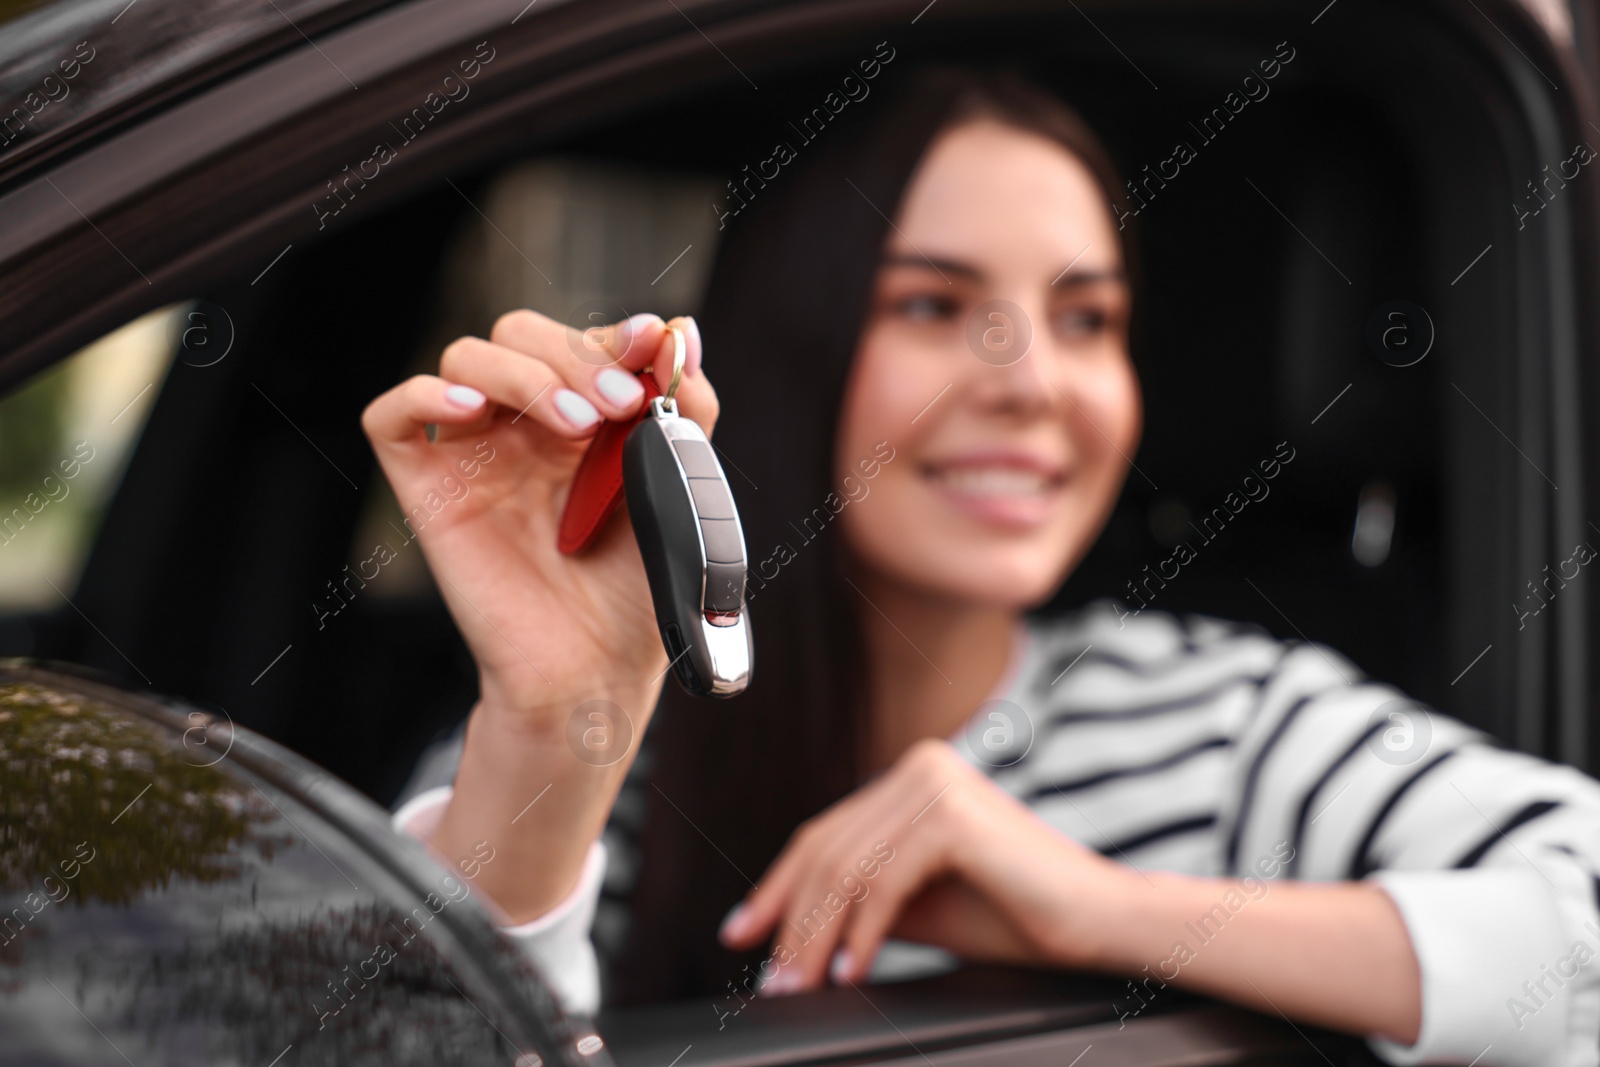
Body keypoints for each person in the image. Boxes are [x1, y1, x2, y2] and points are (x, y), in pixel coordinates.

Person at [361, 67, 1600, 1065]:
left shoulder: (1227, 725)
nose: (1031, 385)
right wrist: (557, 719)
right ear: (794, 350)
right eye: (935, 306)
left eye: (1085, 319)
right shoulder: (582, 772)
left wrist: (1088, 906)